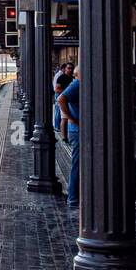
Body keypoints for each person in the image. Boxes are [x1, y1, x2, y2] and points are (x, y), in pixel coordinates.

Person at [57, 65, 80, 208]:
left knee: (79, 165)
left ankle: (75, 197)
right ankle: (73, 198)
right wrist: (72, 118)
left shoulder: (78, 83)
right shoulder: (77, 83)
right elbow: (61, 99)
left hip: (77, 130)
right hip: (77, 131)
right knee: (77, 165)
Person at [52, 62, 74, 137]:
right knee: (63, 117)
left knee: (68, 117)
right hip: (62, 99)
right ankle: (63, 135)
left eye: (71, 68)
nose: (70, 70)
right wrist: (67, 91)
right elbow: (56, 89)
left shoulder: (73, 77)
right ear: (65, 69)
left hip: (71, 100)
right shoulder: (61, 77)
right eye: (68, 68)